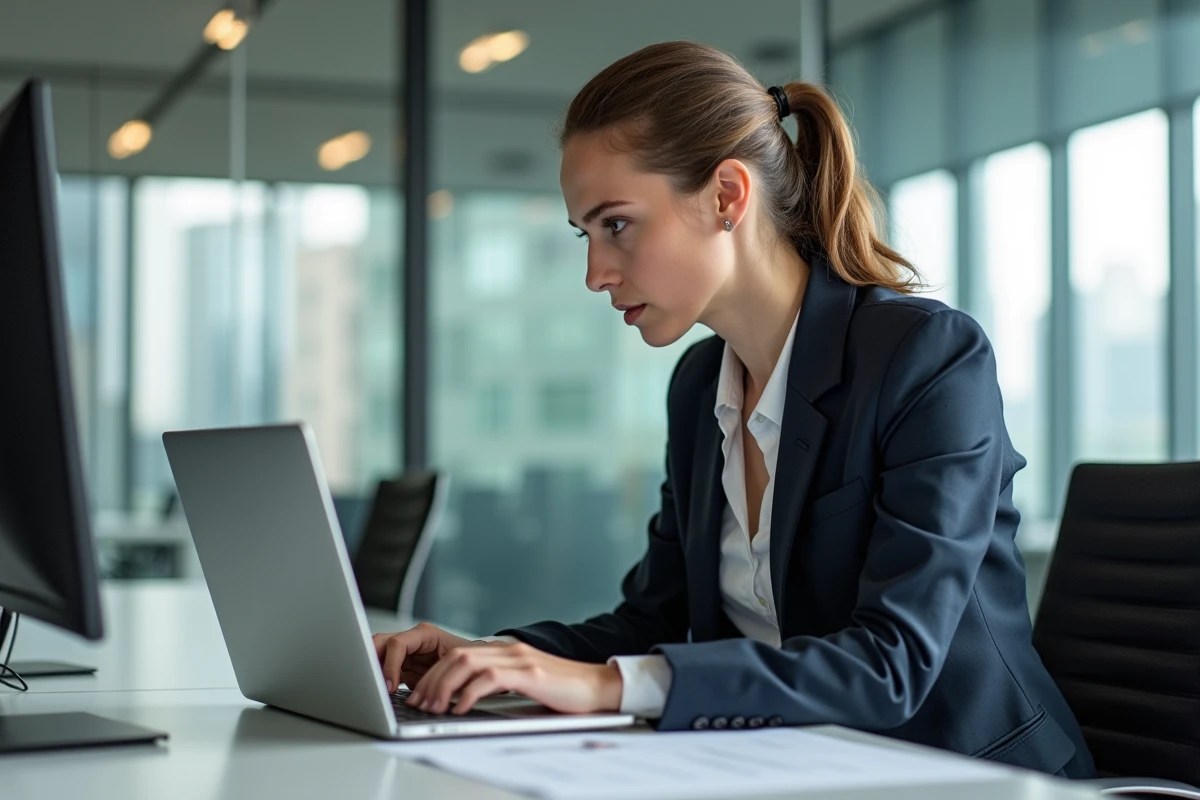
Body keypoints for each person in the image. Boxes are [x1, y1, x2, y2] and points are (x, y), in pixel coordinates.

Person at [373, 41, 1094, 778]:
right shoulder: (698, 386)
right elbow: (651, 619)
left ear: (726, 196)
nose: (595, 273)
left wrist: (604, 685)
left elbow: (893, 662)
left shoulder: (927, 359)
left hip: (965, 776)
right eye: (584, 235)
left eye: (615, 224)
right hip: (791, 765)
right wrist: (495, 657)